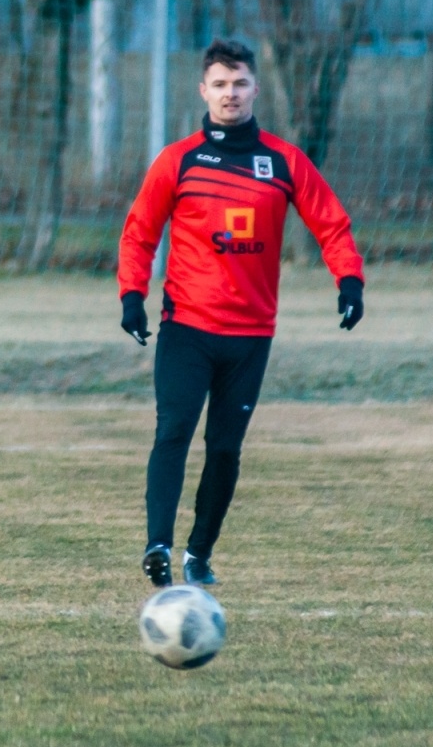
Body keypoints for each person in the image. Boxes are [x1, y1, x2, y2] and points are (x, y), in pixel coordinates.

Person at [118, 39, 365, 588]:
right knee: (173, 430)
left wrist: (349, 279)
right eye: (221, 84)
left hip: (251, 335)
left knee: (225, 448)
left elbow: (331, 223)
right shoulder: (178, 159)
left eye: (241, 83)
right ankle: (157, 544)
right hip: (186, 327)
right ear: (203, 90)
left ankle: (198, 553)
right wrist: (132, 296)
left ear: (255, 88)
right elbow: (139, 232)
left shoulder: (283, 160)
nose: (231, 93)